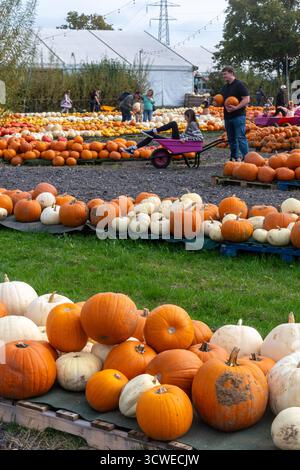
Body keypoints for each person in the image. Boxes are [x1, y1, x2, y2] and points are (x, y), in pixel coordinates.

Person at [121, 109, 203, 155]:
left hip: (179, 143)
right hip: (179, 142)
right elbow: (188, 135)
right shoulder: (190, 124)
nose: (184, 118)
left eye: (185, 116)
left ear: (188, 116)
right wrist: (184, 137)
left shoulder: (193, 124)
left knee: (174, 123)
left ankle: (153, 131)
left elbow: (200, 138)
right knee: (152, 136)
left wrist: (186, 138)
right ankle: (133, 149)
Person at [219, 66, 250, 162]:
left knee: (240, 137)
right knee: (231, 139)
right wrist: (216, 102)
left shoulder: (239, 85)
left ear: (231, 73)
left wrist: (236, 107)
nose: (224, 76)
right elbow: (223, 101)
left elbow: (247, 99)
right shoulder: (224, 87)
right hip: (227, 116)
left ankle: (247, 158)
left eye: (225, 74)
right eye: (223, 74)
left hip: (238, 116)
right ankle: (234, 157)